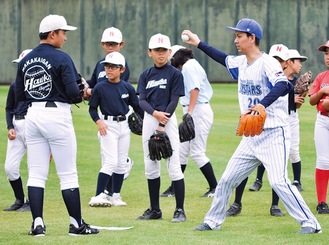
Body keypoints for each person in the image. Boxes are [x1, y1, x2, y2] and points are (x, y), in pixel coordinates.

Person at [182, 18, 321, 234]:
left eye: (239, 36)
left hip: (275, 133)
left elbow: (283, 85)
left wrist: (261, 105)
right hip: (251, 135)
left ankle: (310, 223)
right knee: (227, 179)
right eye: (235, 36)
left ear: (252, 38)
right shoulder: (240, 63)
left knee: (278, 181)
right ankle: (212, 220)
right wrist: (199, 43)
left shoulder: (268, 63)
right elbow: (222, 58)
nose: (235, 40)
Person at [15, 14, 99, 236]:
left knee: (36, 174)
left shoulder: (25, 59)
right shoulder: (62, 58)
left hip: (32, 115)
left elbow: (19, 94)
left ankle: (37, 224)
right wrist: (83, 93)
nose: (65, 37)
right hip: (57, 115)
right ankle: (76, 224)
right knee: (68, 174)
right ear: (52, 34)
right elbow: (73, 93)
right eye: (63, 33)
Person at [226, 45, 309, 217]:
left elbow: (293, 104)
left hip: (283, 124)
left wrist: (298, 97)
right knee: (242, 168)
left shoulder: (290, 81)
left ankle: (275, 205)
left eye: (280, 60)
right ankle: (237, 202)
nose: (277, 62)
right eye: (275, 59)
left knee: (279, 170)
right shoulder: (264, 74)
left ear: (286, 63)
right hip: (259, 125)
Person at [136, 33, 186, 222]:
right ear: (150, 53)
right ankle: (155, 209)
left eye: (163, 50)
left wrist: (162, 122)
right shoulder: (145, 75)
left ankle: (180, 210)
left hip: (168, 119)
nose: (160, 54)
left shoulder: (175, 74)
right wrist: (155, 115)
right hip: (150, 119)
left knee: (173, 166)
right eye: (157, 50)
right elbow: (141, 100)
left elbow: (174, 100)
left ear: (170, 52)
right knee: (150, 165)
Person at [88, 52, 144, 207]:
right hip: (108, 126)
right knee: (111, 161)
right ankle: (98, 195)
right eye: (107, 66)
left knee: (121, 163)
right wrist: (98, 122)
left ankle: (116, 196)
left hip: (124, 126)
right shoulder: (100, 87)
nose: (109, 69)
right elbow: (92, 109)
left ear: (122, 69)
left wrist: (148, 125)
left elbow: (137, 107)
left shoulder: (127, 87)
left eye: (113, 67)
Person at [160, 45, 217, 198]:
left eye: (172, 57)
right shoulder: (189, 66)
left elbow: (195, 90)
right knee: (182, 151)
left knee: (197, 152)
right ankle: (174, 187)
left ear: (179, 56)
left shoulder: (189, 66)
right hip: (193, 110)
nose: (171, 60)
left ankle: (214, 187)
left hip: (198, 111)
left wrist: (189, 113)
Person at [84, 27, 134, 200]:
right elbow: (93, 82)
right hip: (104, 117)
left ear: (121, 44)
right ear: (102, 44)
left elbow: (110, 88)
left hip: (119, 113)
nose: (111, 47)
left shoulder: (121, 65)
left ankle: (110, 191)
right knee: (107, 157)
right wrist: (84, 87)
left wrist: (91, 91)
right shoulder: (101, 64)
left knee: (113, 160)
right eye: (107, 44)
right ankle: (106, 191)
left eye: (114, 44)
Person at [4, 49, 32, 212]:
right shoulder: (15, 85)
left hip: (32, 124)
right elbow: (9, 108)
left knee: (33, 166)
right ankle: (20, 199)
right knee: (10, 167)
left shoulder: (39, 86)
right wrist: (10, 127)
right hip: (17, 124)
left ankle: (31, 202)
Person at [309, 40, 329, 214]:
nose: (328, 57)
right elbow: (311, 100)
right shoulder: (321, 77)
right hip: (322, 121)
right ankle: (321, 202)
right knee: (322, 160)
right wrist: (322, 92)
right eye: (326, 53)